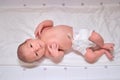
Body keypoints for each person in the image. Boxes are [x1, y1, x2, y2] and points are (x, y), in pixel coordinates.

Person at [17, 20, 114, 63]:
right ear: (38, 58)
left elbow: (51, 23)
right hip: (76, 45)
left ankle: (102, 45)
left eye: (31, 46)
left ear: (29, 40)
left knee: (96, 37)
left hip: (77, 34)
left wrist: (42, 23)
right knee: (90, 58)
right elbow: (62, 54)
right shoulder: (47, 52)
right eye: (36, 54)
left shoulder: (40, 32)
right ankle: (103, 51)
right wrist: (56, 55)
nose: (37, 48)